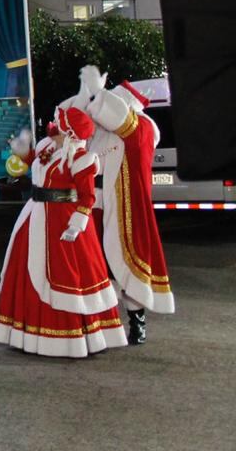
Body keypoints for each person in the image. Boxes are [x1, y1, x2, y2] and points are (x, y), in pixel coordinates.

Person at [0, 106, 128, 358]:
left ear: (70, 130)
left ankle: (70, 337)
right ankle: (29, 334)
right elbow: (34, 165)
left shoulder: (82, 158)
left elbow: (87, 197)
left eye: (59, 122)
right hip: (36, 215)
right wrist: (23, 152)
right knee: (27, 270)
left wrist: (77, 224)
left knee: (67, 274)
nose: (54, 124)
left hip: (63, 221)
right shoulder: (47, 146)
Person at [65, 67, 174, 343]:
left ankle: (137, 322)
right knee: (96, 264)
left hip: (125, 209)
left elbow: (118, 117)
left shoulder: (142, 128)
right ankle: (102, 322)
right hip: (94, 205)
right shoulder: (103, 132)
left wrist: (98, 92)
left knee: (124, 266)